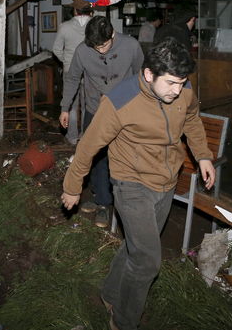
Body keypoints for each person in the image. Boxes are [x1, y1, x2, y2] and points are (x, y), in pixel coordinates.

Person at [60, 38, 215, 330]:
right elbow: (88, 146)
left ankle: (111, 294)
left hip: (166, 180)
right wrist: (72, 186)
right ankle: (122, 322)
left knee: (137, 247)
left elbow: (192, 118)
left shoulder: (183, 89)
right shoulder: (119, 101)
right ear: (148, 74)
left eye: (182, 83)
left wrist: (203, 155)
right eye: (171, 83)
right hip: (131, 182)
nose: (177, 90)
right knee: (146, 261)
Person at [59, 15, 144, 228]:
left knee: (121, 157)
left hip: (124, 111)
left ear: (112, 34)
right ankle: (102, 202)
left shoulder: (131, 46)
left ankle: (122, 203)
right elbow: (72, 79)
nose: (100, 51)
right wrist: (65, 107)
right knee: (95, 157)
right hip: (95, 110)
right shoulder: (82, 51)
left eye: (104, 45)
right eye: (96, 47)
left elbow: (142, 77)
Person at [52, 0, 94, 145]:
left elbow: (56, 49)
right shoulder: (94, 26)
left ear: (75, 10)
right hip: (90, 71)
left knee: (70, 104)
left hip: (70, 70)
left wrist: (67, 60)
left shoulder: (64, 26)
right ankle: (86, 135)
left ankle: (72, 137)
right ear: (90, 11)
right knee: (89, 104)